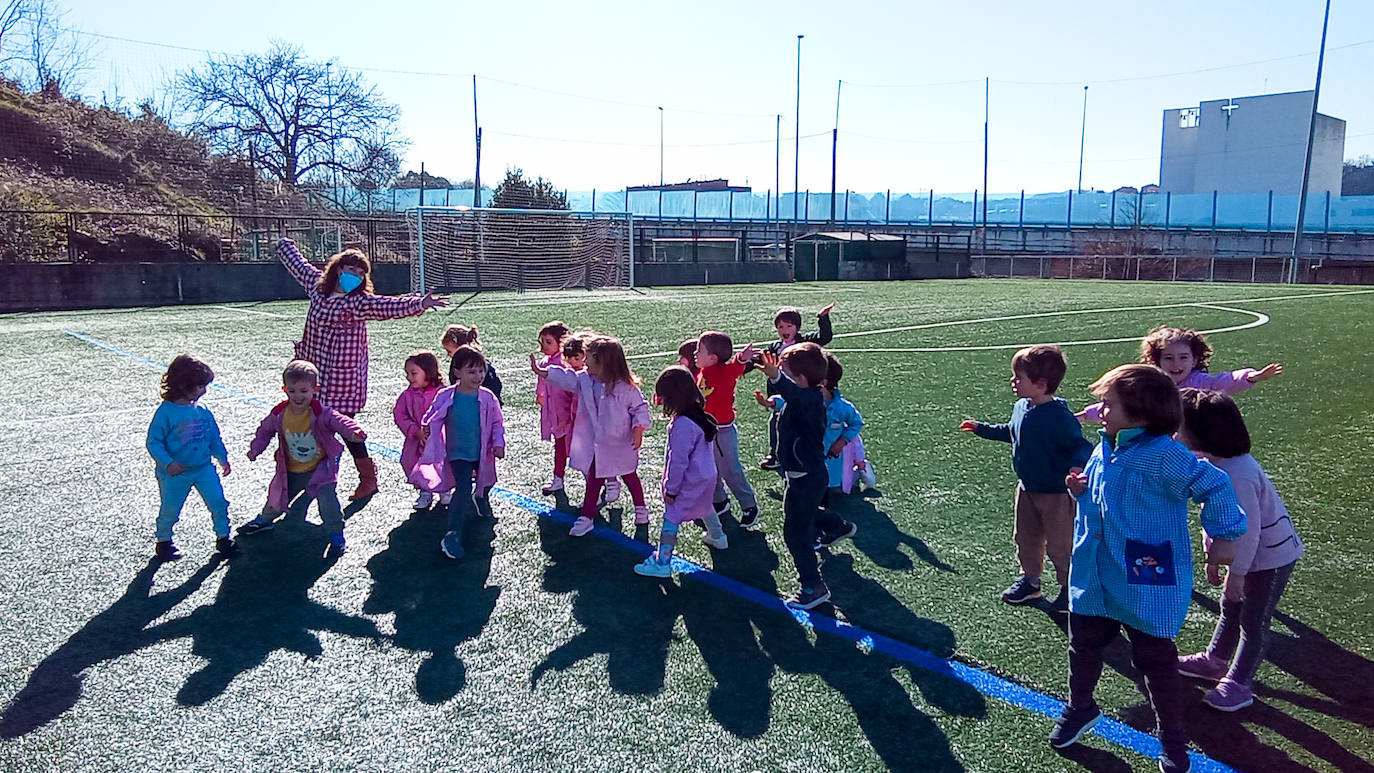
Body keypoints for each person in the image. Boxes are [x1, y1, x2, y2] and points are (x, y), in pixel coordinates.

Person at [1050, 364, 1246, 773]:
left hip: (1145, 579)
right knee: (1083, 644)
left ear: (1139, 412)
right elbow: (1103, 499)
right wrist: (1080, 491)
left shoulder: (1165, 455)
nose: (1100, 411)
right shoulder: (1106, 446)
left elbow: (1214, 484)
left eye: (1108, 404)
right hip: (1095, 573)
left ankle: (1173, 741)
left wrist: (1225, 536)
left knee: (1155, 662)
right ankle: (1081, 707)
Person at [277, 235, 447, 500]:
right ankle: (303, 476)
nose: (354, 275)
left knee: (347, 430)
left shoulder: (357, 302)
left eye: (360, 272)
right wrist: (283, 241)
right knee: (307, 425)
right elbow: (299, 265)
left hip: (343, 380)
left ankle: (367, 478)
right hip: (312, 376)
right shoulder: (317, 288)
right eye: (350, 269)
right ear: (337, 269)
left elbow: (386, 306)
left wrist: (419, 304)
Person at [1175, 388, 1304, 712]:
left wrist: (1237, 573)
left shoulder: (1237, 475)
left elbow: (1246, 533)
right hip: (1246, 557)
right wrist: (1215, 558)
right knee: (1231, 608)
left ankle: (1239, 683)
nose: (1175, 433)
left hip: (1268, 559)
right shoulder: (1213, 463)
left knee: (1253, 619)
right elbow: (1220, 522)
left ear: (1203, 432)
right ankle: (1216, 659)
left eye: (1179, 427)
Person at [959, 345, 1092, 609]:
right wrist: (981, 429)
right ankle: (1030, 581)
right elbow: (1012, 431)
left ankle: (1070, 589)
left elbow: (1080, 447)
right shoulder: (1022, 406)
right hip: (1027, 489)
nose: (1013, 381)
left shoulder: (1059, 417)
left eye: (1019, 377)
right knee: (1025, 538)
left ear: (1041, 384)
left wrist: (1076, 468)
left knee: (1060, 544)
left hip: (1055, 494)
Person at [758, 345, 855, 611]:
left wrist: (775, 377)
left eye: (786, 374)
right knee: (805, 513)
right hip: (804, 474)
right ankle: (837, 525)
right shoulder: (805, 397)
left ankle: (813, 586)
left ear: (800, 379)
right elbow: (788, 397)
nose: (780, 376)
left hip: (806, 475)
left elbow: (792, 394)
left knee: (795, 532)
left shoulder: (809, 400)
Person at [239, 360, 367, 558]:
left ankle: (336, 533)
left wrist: (354, 431)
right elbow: (265, 431)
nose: (298, 396)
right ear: (285, 389)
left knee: (328, 503)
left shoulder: (320, 412)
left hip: (319, 470)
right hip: (291, 470)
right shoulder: (279, 413)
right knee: (277, 498)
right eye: (292, 391)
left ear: (315, 389)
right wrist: (256, 449)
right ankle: (264, 520)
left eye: (303, 391)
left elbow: (339, 420)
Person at [531, 334, 651, 536]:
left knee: (629, 474)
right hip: (598, 443)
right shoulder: (585, 380)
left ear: (603, 362)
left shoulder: (625, 387)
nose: (584, 361)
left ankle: (641, 509)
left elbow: (640, 408)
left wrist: (638, 429)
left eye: (588, 357)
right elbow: (567, 379)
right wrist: (544, 373)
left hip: (621, 441)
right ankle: (587, 517)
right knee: (595, 477)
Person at [409, 346, 506, 559]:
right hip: (457, 453)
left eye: (481, 370)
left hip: (482, 453)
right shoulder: (446, 395)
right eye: (471, 371)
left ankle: (480, 498)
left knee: (487, 480)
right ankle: (452, 532)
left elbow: (498, 422)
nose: (478, 376)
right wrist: (426, 427)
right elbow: (432, 414)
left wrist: (498, 443)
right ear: (457, 372)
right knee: (462, 488)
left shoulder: (488, 397)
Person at [634, 366, 730, 578]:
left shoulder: (681, 425)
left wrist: (671, 489)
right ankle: (718, 536)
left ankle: (662, 562)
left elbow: (678, 461)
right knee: (705, 507)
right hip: (707, 476)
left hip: (689, 480)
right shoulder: (699, 416)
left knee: (672, 516)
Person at [1079, 325, 1281, 423]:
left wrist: (1252, 377)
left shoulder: (1199, 382)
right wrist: (1085, 415)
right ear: (1156, 361)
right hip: (1156, 440)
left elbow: (1224, 382)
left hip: (1190, 442)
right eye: (1168, 358)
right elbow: (1122, 405)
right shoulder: (1150, 386)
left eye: (1183, 357)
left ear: (1194, 360)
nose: (1176, 364)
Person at [145, 354, 235, 561]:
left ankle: (223, 538)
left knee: (218, 502)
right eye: (200, 386)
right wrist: (168, 463)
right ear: (184, 385)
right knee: (170, 508)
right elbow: (153, 442)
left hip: (203, 468)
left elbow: (213, 436)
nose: (204, 391)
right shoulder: (166, 413)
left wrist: (222, 457)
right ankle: (164, 541)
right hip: (176, 474)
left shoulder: (202, 411)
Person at [694, 331, 761, 529]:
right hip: (706, 430)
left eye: (699, 350)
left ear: (713, 358)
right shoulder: (703, 371)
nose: (695, 354)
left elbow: (735, 368)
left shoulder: (722, 371)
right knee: (708, 468)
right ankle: (719, 501)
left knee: (730, 469)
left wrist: (742, 358)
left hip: (722, 432)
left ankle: (749, 505)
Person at [756, 303, 835, 470]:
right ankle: (775, 454)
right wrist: (740, 363)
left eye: (789, 326)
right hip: (780, 395)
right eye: (780, 326)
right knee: (776, 423)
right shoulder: (774, 348)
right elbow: (758, 361)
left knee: (800, 426)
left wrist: (823, 317)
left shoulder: (806, 342)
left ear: (797, 327)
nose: (784, 329)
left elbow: (825, 337)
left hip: (801, 395)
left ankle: (806, 454)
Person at [392, 351, 444, 511]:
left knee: (442, 463)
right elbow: (399, 414)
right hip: (416, 440)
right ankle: (425, 491)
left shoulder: (442, 392)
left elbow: (448, 413)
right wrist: (415, 431)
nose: (409, 377)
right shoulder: (407, 395)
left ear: (428, 372)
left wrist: (439, 431)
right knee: (413, 462)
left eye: (414, 373)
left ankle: (445, 489)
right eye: (407, 373)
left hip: (439, 439)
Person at [534, 321, 574, 494]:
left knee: (577, 448)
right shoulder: (544, 362)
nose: (543, 346)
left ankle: (600, 480)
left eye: (548, 342)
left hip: (568, 415)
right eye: (541, 342)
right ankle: (558, 478)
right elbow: (542, 384)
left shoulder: (565, 363)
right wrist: (540, 395)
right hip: (555, 414)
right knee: (559, 447)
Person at [442, 324, 504, 404]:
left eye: (449, 351)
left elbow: (493, 387)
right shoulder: (480, 363)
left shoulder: (480, 366)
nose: (448, 354)